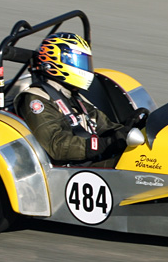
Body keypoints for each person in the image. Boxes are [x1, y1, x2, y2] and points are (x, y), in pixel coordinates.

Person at [16, 32, 147, 164]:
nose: (86, 68)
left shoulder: (72, 96)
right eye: (80, 61)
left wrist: (129, 129)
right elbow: (57, 147)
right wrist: (106, 143)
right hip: (68, 168)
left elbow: (103, 126)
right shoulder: (36, 99)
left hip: (89, 163)